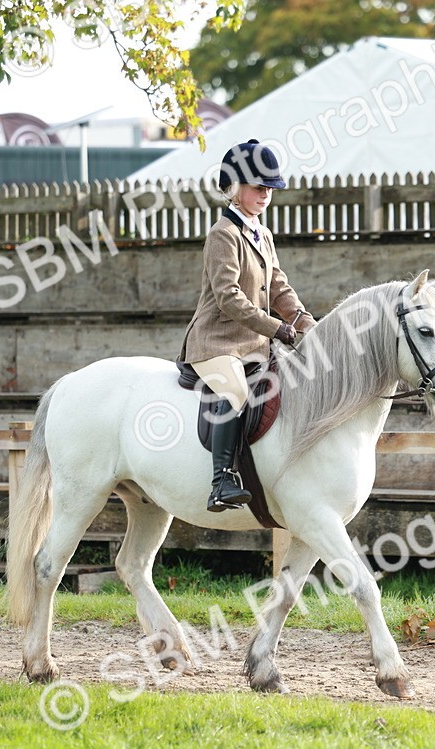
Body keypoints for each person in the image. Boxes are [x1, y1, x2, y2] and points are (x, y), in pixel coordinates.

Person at [180, 139, 315, 512]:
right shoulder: (222, 234)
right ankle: (222, 480)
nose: (266, 194)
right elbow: (229, 297)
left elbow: (278, 287)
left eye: (270, 188)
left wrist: (306, 322)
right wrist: (277, 328)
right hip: (217, 342)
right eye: (259, 187)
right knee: (236, 392)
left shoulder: (263, 234)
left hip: (255, 345)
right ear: (235, 187)